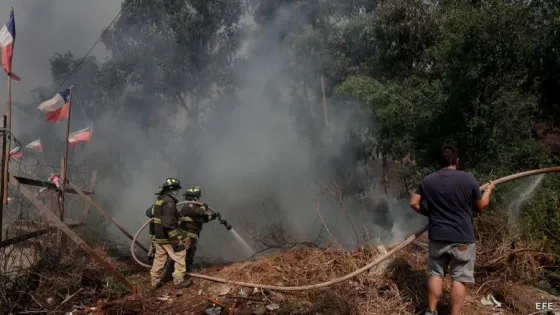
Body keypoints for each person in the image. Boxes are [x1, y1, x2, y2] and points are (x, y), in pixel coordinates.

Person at [409, 145, 496, 315]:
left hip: (437, 236)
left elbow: (413, 202)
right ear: (457, 160)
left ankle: (431, 311)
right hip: (462, 238)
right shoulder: (468, 179)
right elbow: (480, 206)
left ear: (439, 161)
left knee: (435, 274)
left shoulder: (428, 180)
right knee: (459, 278)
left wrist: (427, 213)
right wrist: (488, 191)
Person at [145, 177, 191, 289]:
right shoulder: (169, 201)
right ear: (172, 189)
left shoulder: (160, 200)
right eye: (176, 189)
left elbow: (156, 214)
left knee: (159, 258)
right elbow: (168, 223)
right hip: (168, 236)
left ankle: (155, 281)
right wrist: (179, 237)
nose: (177, 192)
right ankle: (178, 280)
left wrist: (179, 216)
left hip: (159, 236)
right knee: (180, 254)